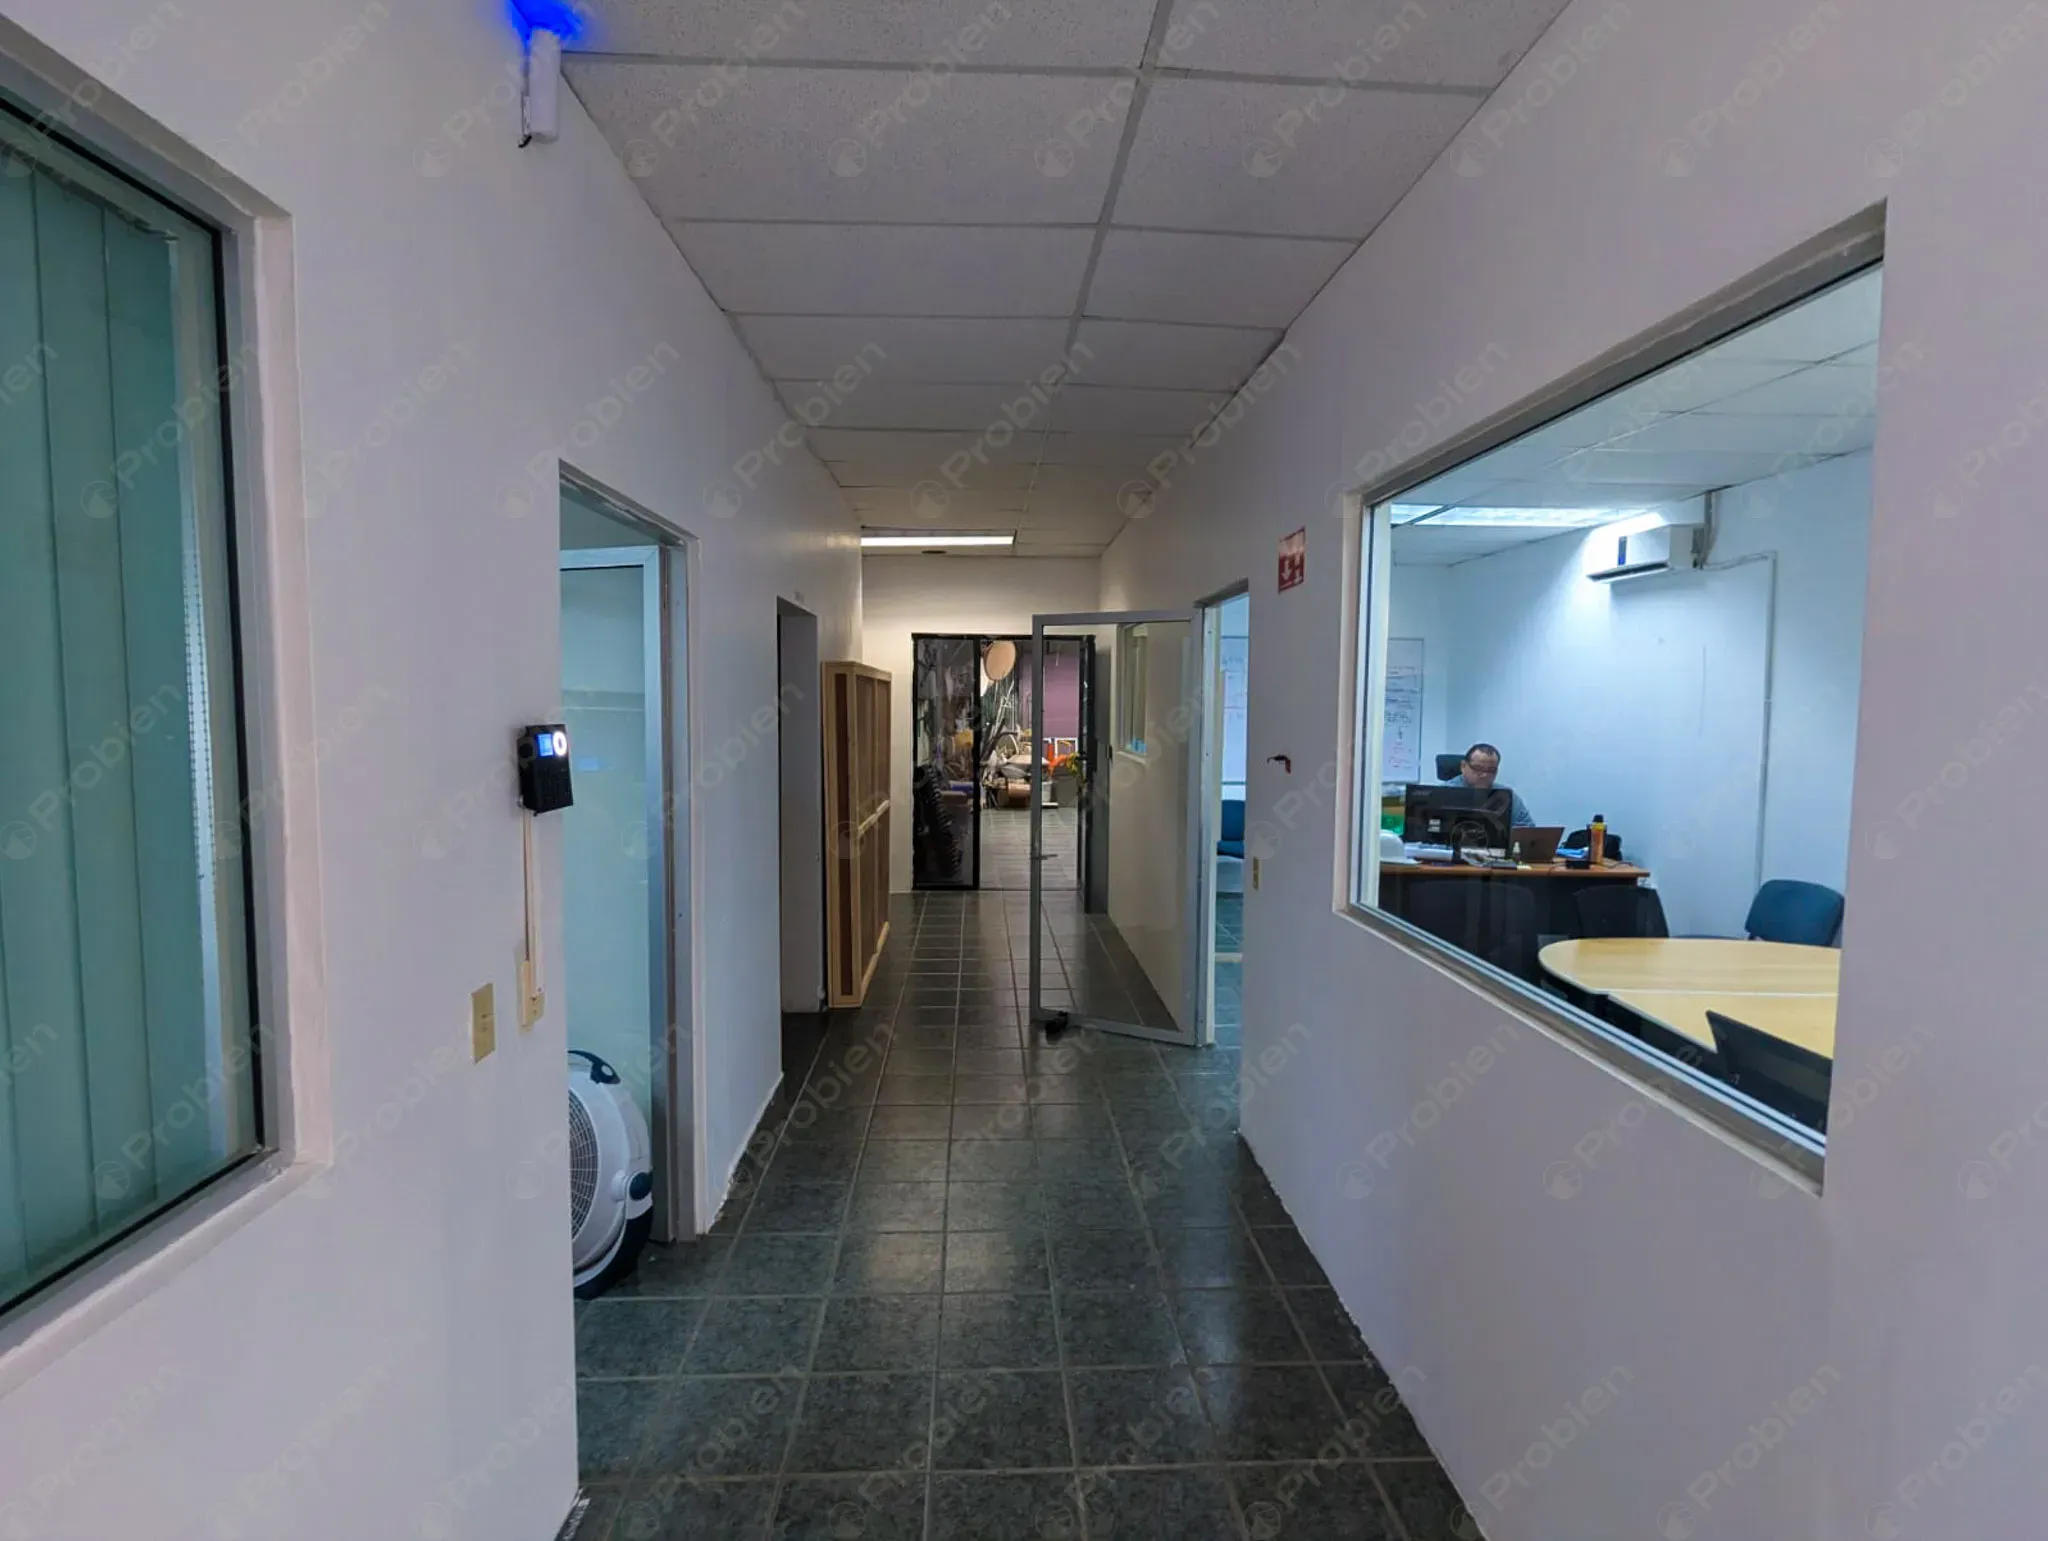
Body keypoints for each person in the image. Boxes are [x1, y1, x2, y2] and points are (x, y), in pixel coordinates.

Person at [1444, 742, 1534, 827]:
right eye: (1477, 768)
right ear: (1463, 766)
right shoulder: (1444, 793)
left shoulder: (1507, 796)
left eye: (1491, 770)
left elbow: (1527, 830)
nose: (1484, 775)